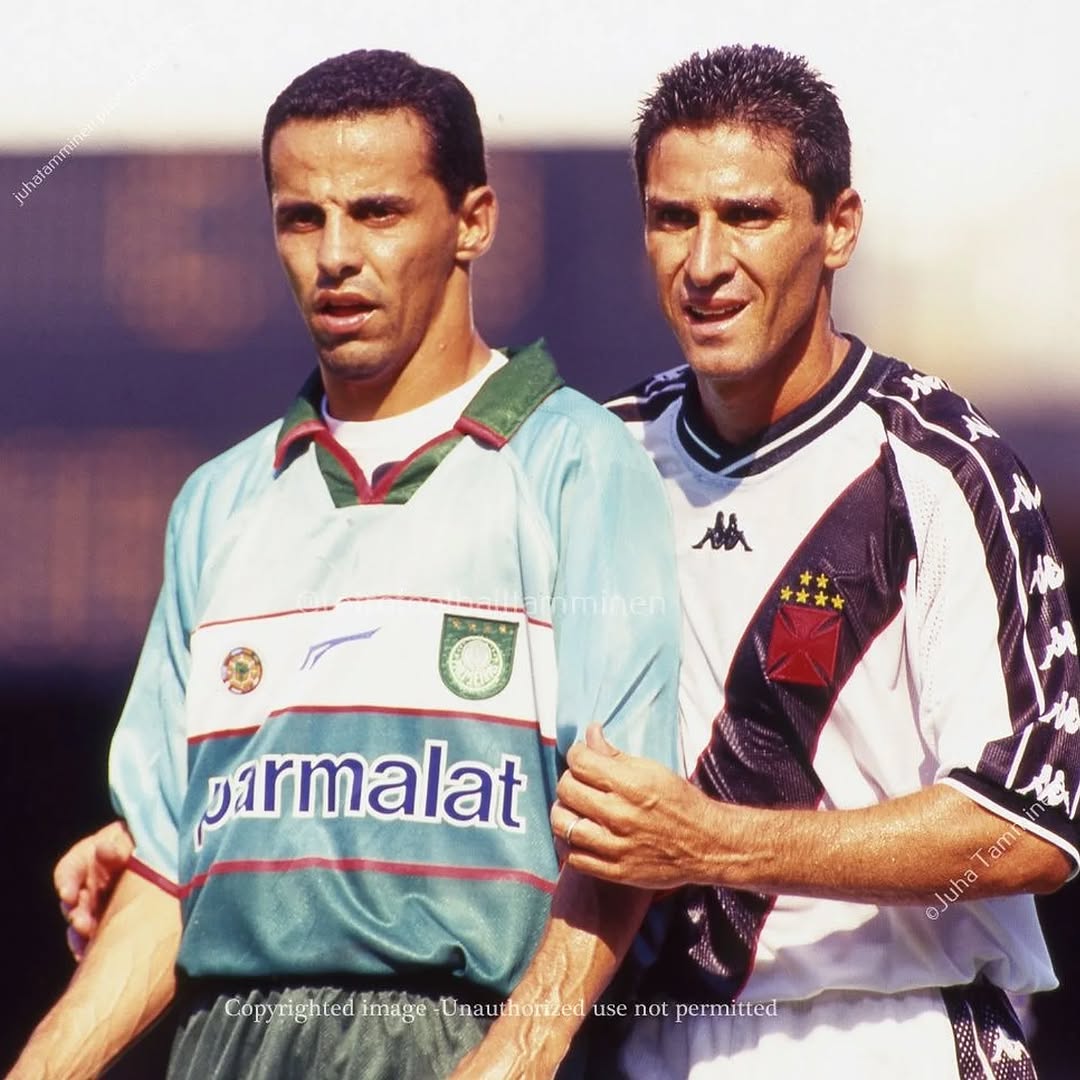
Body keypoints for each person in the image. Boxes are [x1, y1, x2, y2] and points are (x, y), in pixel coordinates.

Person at [9, 49, 680, 1080]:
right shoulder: (219, 501)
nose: (334, 255)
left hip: (459, 1034)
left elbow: (620, 833)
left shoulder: (577, 464)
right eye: (300, 218)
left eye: (377, 213)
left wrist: (520, 1052)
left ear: (474, 220)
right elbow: (168, 868)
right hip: (226, 1042)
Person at [552, 44, 1079, 1079]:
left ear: (839, 227)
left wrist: (709, 842)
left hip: (894, 1031)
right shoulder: (596, 460)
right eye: (673, 218)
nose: (704, 263)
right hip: (647, 1046)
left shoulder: (942, 467)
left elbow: (1025, 829)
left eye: (747, 216)